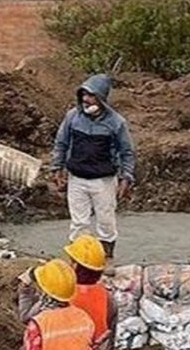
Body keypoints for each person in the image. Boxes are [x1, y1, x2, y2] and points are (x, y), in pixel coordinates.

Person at [51, 74, 136, 260]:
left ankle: (107, 260)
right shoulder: (72, 117)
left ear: (101, 98)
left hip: (103, 181)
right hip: (76, 179)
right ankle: (78, 260)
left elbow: (126, 152)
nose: (85, 99)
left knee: (105, 223)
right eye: (83, 95)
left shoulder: (116, 122)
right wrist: (56, 169)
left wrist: (126, 178)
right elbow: (61, 143)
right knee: (79, 224)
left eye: (91, 95)